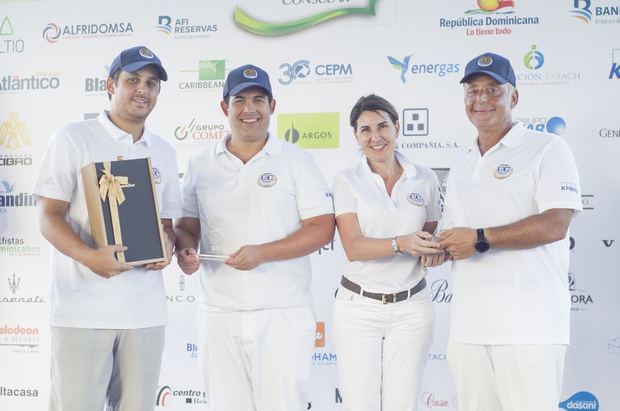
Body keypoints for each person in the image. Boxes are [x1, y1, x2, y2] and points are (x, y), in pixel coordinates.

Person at [174, 64, 335, 411]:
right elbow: (187, 226)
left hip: (283, 313)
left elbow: (322, 227)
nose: (250, 110)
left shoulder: (296, 160)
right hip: (218, 312)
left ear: (272, 106)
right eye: (240, 101)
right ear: (224, 108)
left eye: (259, 100)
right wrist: (186, 250)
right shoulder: (200, 163)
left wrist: (263, 252)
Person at [34, 46, 182, 411]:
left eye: (151, 83)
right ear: (110, 85)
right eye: (132, 80)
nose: (142, 90)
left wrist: (167, 246)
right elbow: (48, 216)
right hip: (81, 311)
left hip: (145, 315)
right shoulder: (73, 138)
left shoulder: (163, 150)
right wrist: (89, 257)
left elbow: (167, 226)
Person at [438, 52, 582, 411]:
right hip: (469, 330)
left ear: (513, 97)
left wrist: (480, 238)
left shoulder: (548, 148)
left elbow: (555, 224)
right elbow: (457, 233)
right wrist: (435, 248)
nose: (481, 99)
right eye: (472, 91)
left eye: (492, 89)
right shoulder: (462, 162)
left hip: (530, 328)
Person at [331, 94, 444, 411]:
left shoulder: (425, 177)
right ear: (356, 136)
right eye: (365, 130)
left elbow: (431, 229)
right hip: (358, 308)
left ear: (397, 127)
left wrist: (430, 251)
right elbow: (353, 247)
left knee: (402, 404)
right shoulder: (346, 180)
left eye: (383, 126)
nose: (375, 136)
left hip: (412, 307)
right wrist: (401, 243)